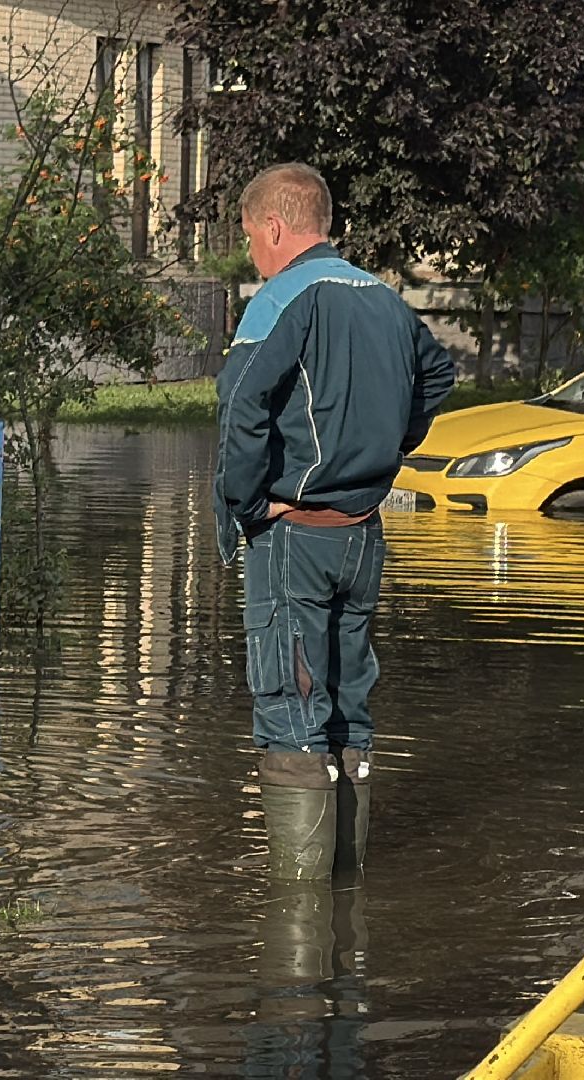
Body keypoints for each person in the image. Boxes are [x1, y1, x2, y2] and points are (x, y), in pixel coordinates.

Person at [213, 163, 456, 882]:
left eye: (252, 236)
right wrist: (384, 447)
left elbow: (237, 408)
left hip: (296, 535)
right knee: (349, 703)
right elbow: (437, 375)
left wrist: (249, 506)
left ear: (276, 227)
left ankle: (297, 925)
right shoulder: (383, 297)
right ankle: (347, 902)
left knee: (289, 706)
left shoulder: (283, 296)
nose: (252, 251)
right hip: (362, 533)